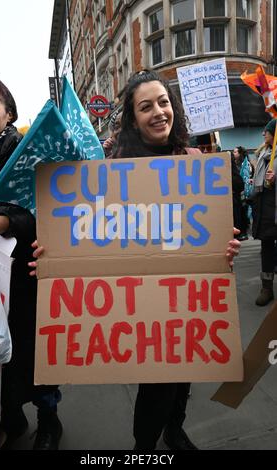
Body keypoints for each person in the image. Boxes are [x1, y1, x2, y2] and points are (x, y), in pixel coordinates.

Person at [112, 69, 240, 450]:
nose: (158, 112)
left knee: (186, 369)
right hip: (144, 291)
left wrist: (225, 245)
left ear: (174, 108)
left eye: (163, 102)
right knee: (157, 379)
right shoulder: (115, 170)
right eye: (145, 106)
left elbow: (213, 231)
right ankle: (145, 446)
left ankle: (175, 427)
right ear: (133, 119)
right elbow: (95, 233)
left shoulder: (195, 159)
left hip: (189, 291)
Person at [0, 72, 62, 450]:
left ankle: (49, 422)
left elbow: (53, 212)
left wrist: (6, 221)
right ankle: (9, 418)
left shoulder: (28, 156)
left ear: (8, 113)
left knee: (35, 358)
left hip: (26, 280)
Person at [252, 118, 277, 306]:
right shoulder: (264, 154)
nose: (263, 134)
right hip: (266, 206)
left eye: (267, 130)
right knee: (266, 246)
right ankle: (266, 287)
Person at [232, 146, 254, 241]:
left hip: (244, 192)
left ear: (240, 153)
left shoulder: (246, 165)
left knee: (243, 211)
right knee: (242, 211)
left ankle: (244, 231)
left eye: (235, 152)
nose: (233, 153)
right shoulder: (236, 164)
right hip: (240, 192)